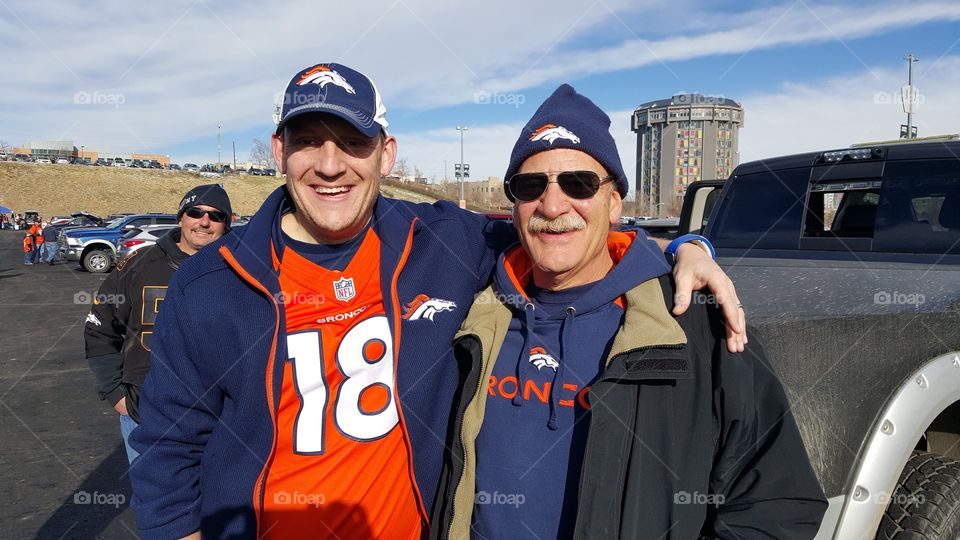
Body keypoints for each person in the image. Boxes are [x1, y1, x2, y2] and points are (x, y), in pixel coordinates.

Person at [129, 63, 746, 540]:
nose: (328, 163)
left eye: (351, 142)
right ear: (278, 151)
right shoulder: (214, 280)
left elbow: (561, 230)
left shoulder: (443, 242)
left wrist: (680, 249)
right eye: (307, 140)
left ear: (386, 154)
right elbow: (168, 444)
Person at [431, 85, 827, 539]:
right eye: (530, 185)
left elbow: (776, 502)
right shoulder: (474, 314)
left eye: (578, 184)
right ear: (515, 206)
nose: (553, 204)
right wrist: (686, 242)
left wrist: (688, 248)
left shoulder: (692, 323)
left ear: (615, 202)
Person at [84, 185, 232, 463]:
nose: (204, 221)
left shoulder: (243, 266)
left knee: (219, 503)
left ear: (227, 224)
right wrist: (115, 392)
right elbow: (99, 326)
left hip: (221, 420)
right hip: (146, 413)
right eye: (195, 212)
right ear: (181, 217)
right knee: (155, 503)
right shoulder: (139, 263)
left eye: (216, 216)